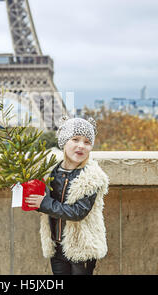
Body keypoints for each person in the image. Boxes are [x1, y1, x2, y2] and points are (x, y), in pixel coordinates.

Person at [25, 116, 109, 275]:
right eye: (75, 139)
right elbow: (46, 202)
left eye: (87, 142)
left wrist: (43, 203)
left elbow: (77, 212)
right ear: (64, 142)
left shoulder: (91, 177)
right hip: (56, 246)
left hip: (81, 248)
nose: (81, 146)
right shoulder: (52, 171)